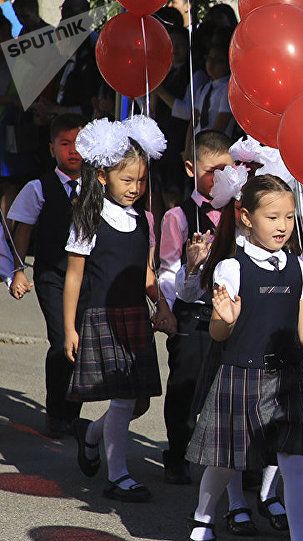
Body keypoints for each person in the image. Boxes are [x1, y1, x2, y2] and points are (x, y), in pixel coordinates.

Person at [185, 173, 303, 541]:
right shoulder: (232, 267)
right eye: (273, 217)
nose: (283, 226)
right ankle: (203, 519)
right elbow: (218, 334)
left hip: (287, 378)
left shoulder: (300, 268)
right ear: (247, 217)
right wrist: (226, 319)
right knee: (226, 460)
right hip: (241, 374)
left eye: (289, 217)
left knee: (294, 462)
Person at [63, 116, 174, 502]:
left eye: (141, 181)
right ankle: (119, 475)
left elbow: (146, 271)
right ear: (102, 176)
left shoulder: (143, 218)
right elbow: (74, 276)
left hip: (135, 317)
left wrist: (162, 305)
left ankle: (91, 434)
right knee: (125, 400)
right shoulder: (88, 217)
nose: (135, 188)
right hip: (102, 318)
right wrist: (69, 328)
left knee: (138, 402)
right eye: (127, 180)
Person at [157, 130, 233, 485]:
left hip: (230, 312)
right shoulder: (178, 216)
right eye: (210, 171)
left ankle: (236, 463)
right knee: (185, 386)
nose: (219, 178)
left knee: (230, 388)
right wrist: (169, 309)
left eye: (226, 170)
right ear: (190, 168)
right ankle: (178, 453)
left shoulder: (239, 212)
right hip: (193, 312)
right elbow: (167, 270)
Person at [6, 114, 87, 437]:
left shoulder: (98, 186)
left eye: (79, 143)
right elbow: (22, 231)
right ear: (52, 147)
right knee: (61, 340)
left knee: (82, 342)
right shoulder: (38, 187)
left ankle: (72, 411)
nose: (73, 150)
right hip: (53, 276)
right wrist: (17, 270)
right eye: (65, 144)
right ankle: (56, 412)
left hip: (87, 279)